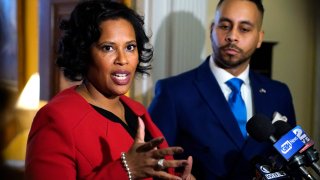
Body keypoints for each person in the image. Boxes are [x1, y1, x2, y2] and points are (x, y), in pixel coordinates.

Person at [25, 1, 195, 179]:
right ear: (83, 53)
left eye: (130, 47)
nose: (123, 59)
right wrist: (126, 169)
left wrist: (178, 176)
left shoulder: (137, 110)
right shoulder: (56, 118)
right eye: (108, 48)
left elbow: (152, 170)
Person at [148, 0, 296, 179]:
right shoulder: (173, 92)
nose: (232, 36)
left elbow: (291, 160)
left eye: (244, 29)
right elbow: (153, 163)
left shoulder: (279, 94)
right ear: (212, 29)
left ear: (259, 38)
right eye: (225, 26)